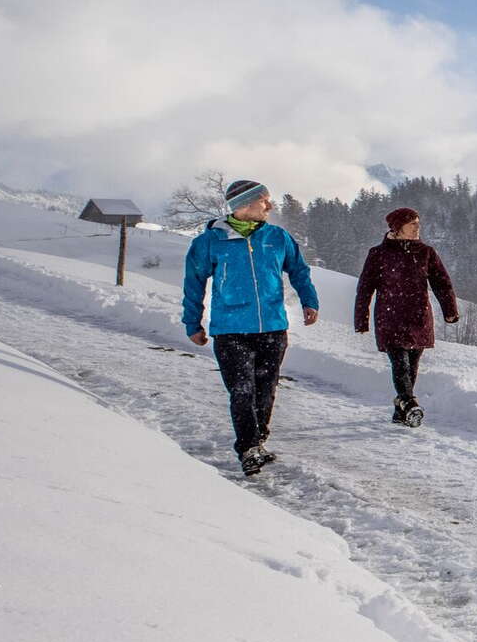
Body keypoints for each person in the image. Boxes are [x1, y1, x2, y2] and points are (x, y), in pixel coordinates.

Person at [182, 178, 320, 476]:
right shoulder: (209, 242)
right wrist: (192, 322)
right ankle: (248, 447)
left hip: (272, 327)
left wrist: (310, 300)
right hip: (231, 330)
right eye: (264, 200)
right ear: (243, 205)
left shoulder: (277, 237)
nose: (270, 205)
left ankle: (258, 440)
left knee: (266, 389)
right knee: (242, 389)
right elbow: (193, 283)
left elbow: (298, 270)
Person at [353, 206, 460, 426]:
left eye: (418, 223)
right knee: (399, 362)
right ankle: (410, 404)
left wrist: (450, 311)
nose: (417, 228)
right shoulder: (378, 254)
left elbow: (442, 283)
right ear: (398, 228)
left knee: (412, 365)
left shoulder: (426, 252)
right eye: (413, 224)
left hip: (419, 316)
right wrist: (361, 319)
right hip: (390, 317)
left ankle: (400, 408)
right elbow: (365, 287)